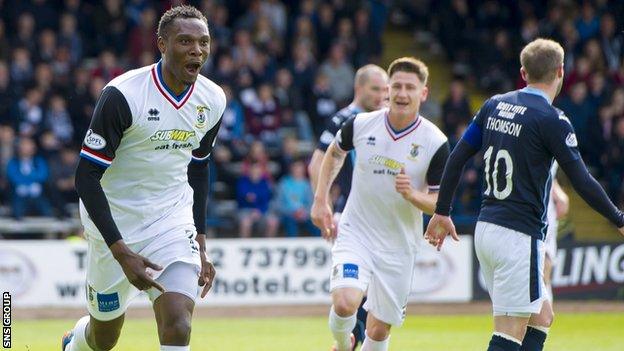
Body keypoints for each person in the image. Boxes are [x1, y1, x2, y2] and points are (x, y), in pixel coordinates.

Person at [425, 38, 624, 351]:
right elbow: (583, 181)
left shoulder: (493, 105)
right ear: (561, 71)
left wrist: (442, 210)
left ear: (523, 72)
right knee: (508, 332)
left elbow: (458, 155)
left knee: (542, 317)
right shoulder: (552, 119)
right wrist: (618, 218)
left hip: (487, 229)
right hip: (519, 235)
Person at [62, 6, 225, 351]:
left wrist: (201, 239)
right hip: (113, 224)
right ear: (162, 44)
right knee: (103, 339)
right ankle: (74, 342)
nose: (197, 50)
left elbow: (199, 167)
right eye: (185, 41)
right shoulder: (123, 95)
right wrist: (121, 252)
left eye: (203, 42)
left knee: (178, 324)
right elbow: (86, 177)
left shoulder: (212, 99)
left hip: (170, 219)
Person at [311, 57, 450, 351]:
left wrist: (412, 195)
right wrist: (321, 200)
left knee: (378, 328)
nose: (402, 93)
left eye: (410, 87)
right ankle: (343, 342)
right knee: (346, 302)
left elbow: (439, 201)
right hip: (356, 231)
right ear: (387, 90)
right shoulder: (360, 124)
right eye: (396, 86)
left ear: (423, 93)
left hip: (399, 243)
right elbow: (333, 155)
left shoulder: (435, 142)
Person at [308, 63, 388, 348]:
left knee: (376, 293)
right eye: (375, 89)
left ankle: (352, 341)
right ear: (359, 89)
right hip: (350, 214)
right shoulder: (344, 119)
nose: (382, 95)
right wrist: (324, 204)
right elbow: (317, 163)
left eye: (385, 90)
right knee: (357, 290)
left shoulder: (387, 121)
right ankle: (352, 341)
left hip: (385, 218)